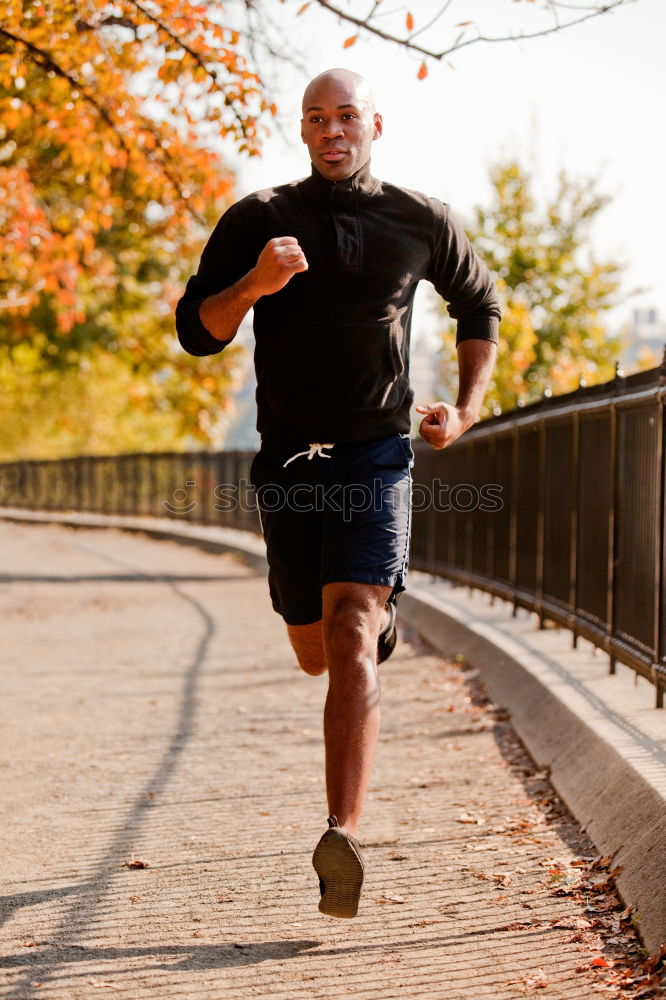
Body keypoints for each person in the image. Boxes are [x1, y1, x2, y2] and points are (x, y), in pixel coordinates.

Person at [175, 68, 500, 919]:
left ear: (375, 125)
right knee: (314, 644)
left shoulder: (418, 218)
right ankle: (366, 621)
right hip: (287, 459)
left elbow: (480, 305)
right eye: (316, 118)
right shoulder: (259, 218)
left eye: (347, 115)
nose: (332, 130)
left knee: (351, 624)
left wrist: (462, 413)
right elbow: (195, 332)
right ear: (303, 129)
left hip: (377, 453)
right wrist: (252, 286)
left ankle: (340, 835)